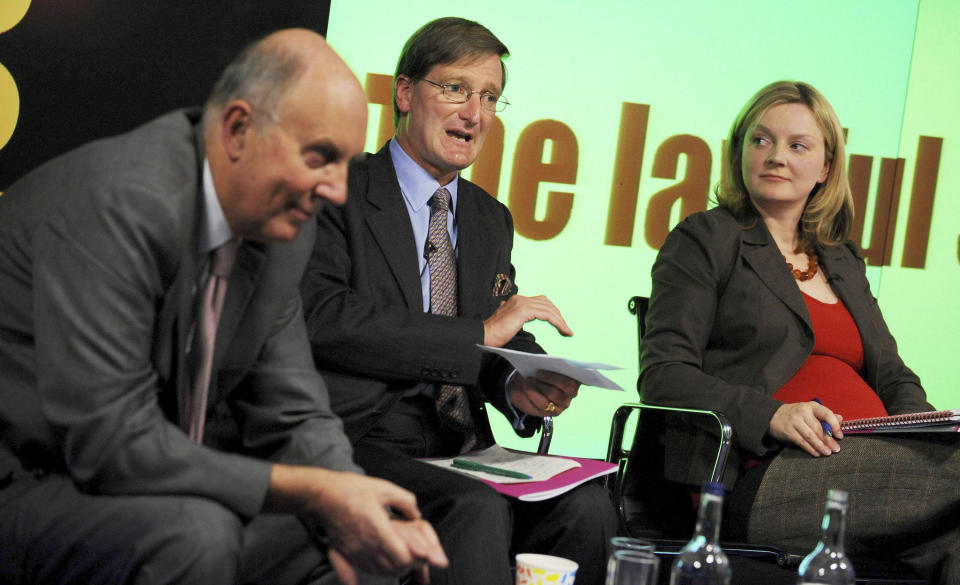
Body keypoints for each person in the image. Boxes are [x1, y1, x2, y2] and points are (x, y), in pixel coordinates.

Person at [0, 29, 449, 585]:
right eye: (321, 157)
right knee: (195, 533)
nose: (337, 190)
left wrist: (353, 504)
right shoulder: (124, 202)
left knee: (368, 547)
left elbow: (293, 411)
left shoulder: (282, 230)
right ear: (238, 129)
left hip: (145, 485)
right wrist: (316, 490)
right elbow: (111, 443)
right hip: (31, 478)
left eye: (347, 162)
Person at [299, 17, 616, 585]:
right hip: (358, 436)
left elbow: (499, 330)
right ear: (404, 92)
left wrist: (520, 383)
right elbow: (325, 319)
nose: (474, 113)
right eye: (454, 88)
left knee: (589, 506)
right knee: (474, 506)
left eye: (489, 96)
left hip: (462, 443)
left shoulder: (489, 217)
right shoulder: (340, 188)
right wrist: (480, 338)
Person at [639, 80, 959, 583]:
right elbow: (664, 376)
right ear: (740, 149)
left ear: (826, 168)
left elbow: (894, 375)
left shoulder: (842, 258)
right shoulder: (708, 238)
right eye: (761, 140)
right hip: (763, 472)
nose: (775, 156)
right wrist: (772, 415)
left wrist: (923, 433)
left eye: (797, 145)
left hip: (875, 465)